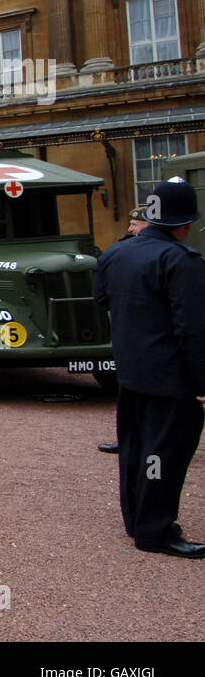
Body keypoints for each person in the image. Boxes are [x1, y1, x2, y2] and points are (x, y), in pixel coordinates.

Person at [94, 179, 205, 559]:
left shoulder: (116, 254)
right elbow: (192, 329)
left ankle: (136, 515)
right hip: (170, 379)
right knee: (163, 455)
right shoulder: (181, 260)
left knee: (136, 448)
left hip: (131, 369)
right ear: (185, 223)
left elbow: (101, 300)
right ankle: (155, 529)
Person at [98, 206, 149, 455]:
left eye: (136, 224)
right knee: (130, 389)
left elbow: (101, 296)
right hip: (132, 332)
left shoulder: (119, 252)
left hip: (135, 332)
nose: (131, 228)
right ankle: (131, 439)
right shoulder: (121, 250)